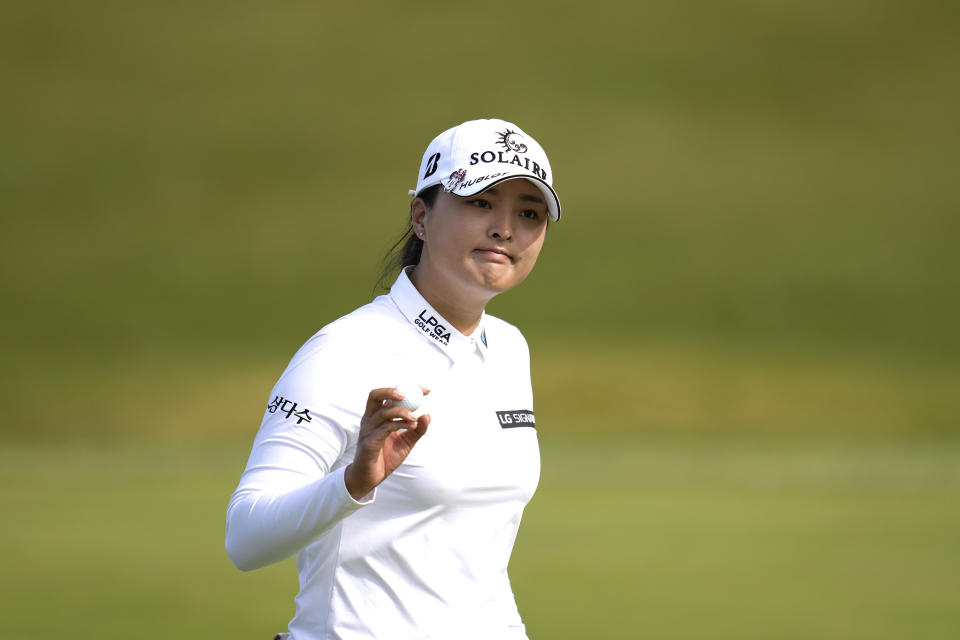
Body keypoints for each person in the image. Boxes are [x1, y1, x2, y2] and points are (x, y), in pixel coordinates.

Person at [225, 118, 562, 640]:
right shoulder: (344, 353)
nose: (505, 228)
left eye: (529, 213)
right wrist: (351, 484)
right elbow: (244, 538)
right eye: (480, 202)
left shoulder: (510, 349)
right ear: (421, 217)